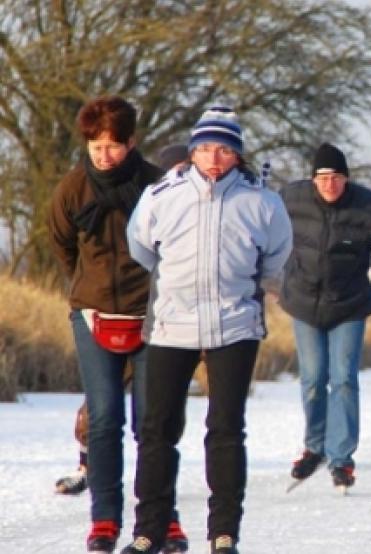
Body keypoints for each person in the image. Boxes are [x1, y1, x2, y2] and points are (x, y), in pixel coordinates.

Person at [121, 106, 292, 553]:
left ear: (237, 155)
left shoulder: (262, 202)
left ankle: (223, 533)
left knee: (226, 428)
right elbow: (141, 246)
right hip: (171, 326)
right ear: (193, 151)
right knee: (157, 429)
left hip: (235, 326)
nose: (214, 158)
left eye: (224, 150)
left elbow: (275, 259)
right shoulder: (163, 195)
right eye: (205, 149)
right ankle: (148, 530)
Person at [48, 96, 189, 553]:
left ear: (131, 142)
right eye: (94, 146)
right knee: (104, 420)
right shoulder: (72, 189)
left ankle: (163, 518)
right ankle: (104, 519)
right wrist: (89, 290)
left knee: (153, 423)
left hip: (152, 317)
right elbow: (64, 247)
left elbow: (177, 247)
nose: (103, 155)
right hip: (93, 315)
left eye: (111, 146)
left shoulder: (158, 185)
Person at [280, 142, 371, 491]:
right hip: (304, 302)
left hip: (349, 303)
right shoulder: (290, 200)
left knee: (343, 378)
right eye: (323, 177)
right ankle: (315, 447)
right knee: (313, 379)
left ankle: (341, 458)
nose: (329, 184)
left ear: (346, 179)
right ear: (313, 179)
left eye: (336, 177)